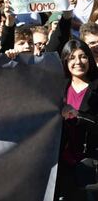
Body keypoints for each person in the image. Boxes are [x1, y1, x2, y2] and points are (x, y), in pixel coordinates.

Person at [54, 39, 98, 201]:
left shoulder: (96, 87)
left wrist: (78, 115)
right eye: (72, 57)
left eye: (83, 57)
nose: (78, 62)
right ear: (65, 61)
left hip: (89, 165)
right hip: (60, 165)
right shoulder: (57, 87)